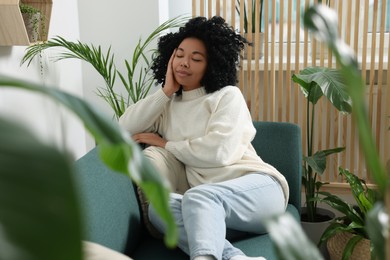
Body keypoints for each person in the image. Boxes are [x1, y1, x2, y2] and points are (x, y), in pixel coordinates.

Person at [119, 16, 289, 260]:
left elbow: (218, 153)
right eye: (179, 55)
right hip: (209, 208)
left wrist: (166, 144)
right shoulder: (167, 106)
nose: (184, 63)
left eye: (196, 58)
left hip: (259, 192)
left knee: (198, 196)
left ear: (212, 64)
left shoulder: (227, 96)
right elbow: (124, 128)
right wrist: (165, 92)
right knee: (159, 211)